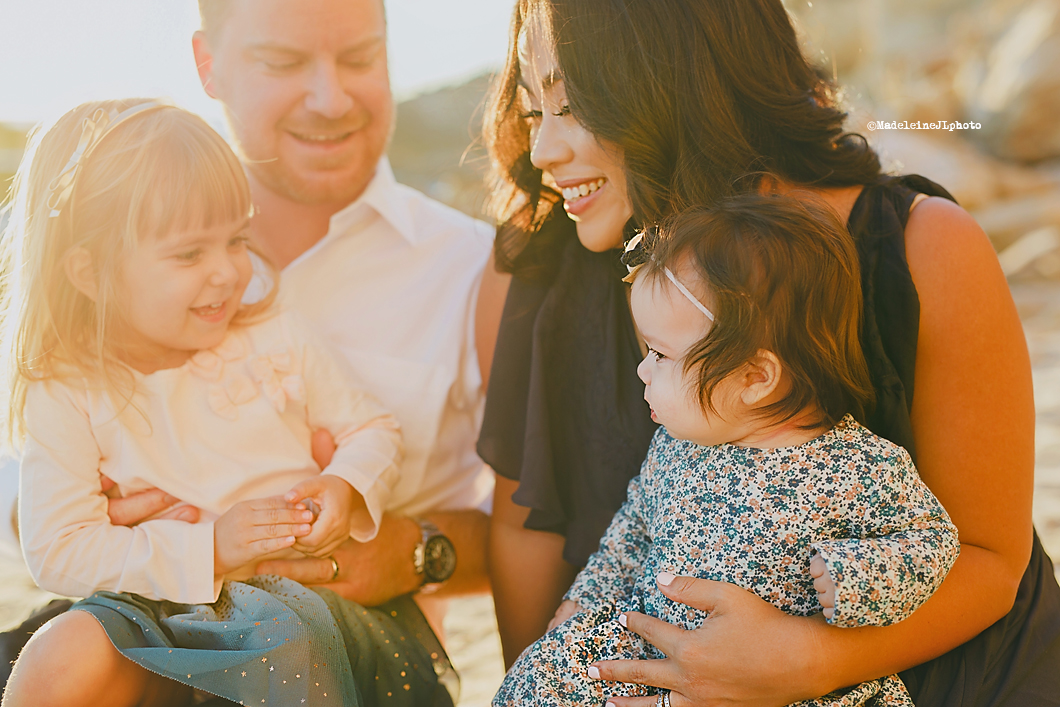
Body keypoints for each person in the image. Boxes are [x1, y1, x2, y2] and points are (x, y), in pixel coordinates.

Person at [479, 0, 1060, 704]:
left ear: (680, 77)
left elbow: (992, 561)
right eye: (532, 110)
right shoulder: (536, 271)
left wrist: (809, 660)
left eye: (572, 106)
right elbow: (526, 528)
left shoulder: (924, 245)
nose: (542, 150)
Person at [0, 0, 506, 671]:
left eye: (360, 57)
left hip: (329, 640)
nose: (330, 99)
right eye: (283, 61)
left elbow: (547, 527)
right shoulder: (124, 223)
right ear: (207, 63)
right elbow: (42, 525)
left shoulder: (474, 268)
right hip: (145, 614)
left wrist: (403, 540)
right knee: (60, 657)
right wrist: (128, 521)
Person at [494, 197, 961, 707]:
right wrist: (587, 599)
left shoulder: (859, 465)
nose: (642, 370)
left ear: (755, 377)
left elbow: (931, 539)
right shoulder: (677, 446)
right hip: (661, 661)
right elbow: (632, 531)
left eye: (661, 354)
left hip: (785, 689)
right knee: (542, 674)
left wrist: (856, 576)